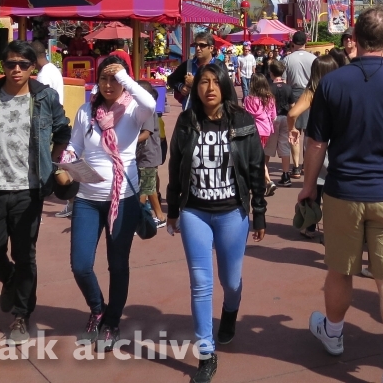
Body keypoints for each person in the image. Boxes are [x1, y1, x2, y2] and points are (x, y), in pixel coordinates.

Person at [302, 7, 383, 383]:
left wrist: (309, 185)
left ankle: (334, 331)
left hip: (344, 190)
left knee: (340, 270)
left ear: (354, 38)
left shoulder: (332, 83)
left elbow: (316, 143)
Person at [0, 40, 70, 344]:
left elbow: (63, 130)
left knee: (25, 254)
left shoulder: (45, 98)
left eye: (23, 64)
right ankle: (8, 278)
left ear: (32, 66)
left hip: (29, 190)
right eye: (11, 64)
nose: (17, 70)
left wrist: (54, 163)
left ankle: (22, 315)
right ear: (3, 66)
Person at [166, 64, 267, 383]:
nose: (208, 88)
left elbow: (254, 168)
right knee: (200, 282)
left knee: (231, 281)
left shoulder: (243, 122)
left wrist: (259, 213)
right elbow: (176, 166)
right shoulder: (186, 121)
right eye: (203, 83)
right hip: (195, 211)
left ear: (225, 86)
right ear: (196, 89)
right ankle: (206, 354)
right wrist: (172, 208)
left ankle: (231, 311)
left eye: (215, 82)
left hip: (232, 212)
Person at [63, 57, 155, 351]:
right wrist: (66, 164)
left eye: (114, 79)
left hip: (123, 201)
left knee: (117, 265)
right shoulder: (86, 111)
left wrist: (124, 77)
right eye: (103, 78)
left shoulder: (133, 111)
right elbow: (75, 145)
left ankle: (112, 321)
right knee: (80, 265)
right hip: (87, 200)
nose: (108, 84)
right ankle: (97, 307)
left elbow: (151, 104)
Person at [287, 56, 340, 237]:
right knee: (333, 185)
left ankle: (309, 225)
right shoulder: (340, 87)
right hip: (337, 139)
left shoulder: (312, 90)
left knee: (314, 182)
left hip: (316, 138)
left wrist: (292, 129)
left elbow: (293, 113)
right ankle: (333, 229)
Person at [33, 40, 73, 219]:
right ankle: (73, 200)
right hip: (56, 121)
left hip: (47, 125)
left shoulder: (42, 77)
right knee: (57, 165)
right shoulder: (53, 69)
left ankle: (73, 199)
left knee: (54, 166)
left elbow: (42, 105)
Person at [167, 31, 225, 110]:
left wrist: (194, 82)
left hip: (212, 113)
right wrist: (181, 87)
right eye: (196, 45)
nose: (198, 48)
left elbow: (224, 88)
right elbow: (171, 79)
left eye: (202, 45)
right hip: (191, 114)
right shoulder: (188, 64)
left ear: (211, 48)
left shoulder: (219, 66)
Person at [136, 80, 166, 230]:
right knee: (149, 188)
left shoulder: (147, 110)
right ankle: (159, 216)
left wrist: (129, 140)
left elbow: (146, 134)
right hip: (146, 155)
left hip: (148, 155)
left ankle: (139, 219)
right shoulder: (142, 109)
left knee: (145, 189)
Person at [242, 73, 278, 195]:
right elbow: (274, 116)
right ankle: (263, 181)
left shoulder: (249, 99)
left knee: (256, 157)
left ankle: (267, 181)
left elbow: (246, 116)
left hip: (255, 130)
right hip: (267, 129)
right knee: (258, 155)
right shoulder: (270, 98)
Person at [267, 59, 297, 186]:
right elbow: (293, 105)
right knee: (284, 146)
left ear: (271, 72)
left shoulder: (269, 87)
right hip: (285, 117)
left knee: (268, 147)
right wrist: (293, 124)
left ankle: (265, 175)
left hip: (272, 118)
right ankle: (285, 174)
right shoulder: (288, 88)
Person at [284, 30, 317, 102]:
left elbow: (284, 80)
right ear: (306, 42)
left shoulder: (287, 59)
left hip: (293, 94)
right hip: (311, 93)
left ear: (293, 42)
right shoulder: (314, 58)